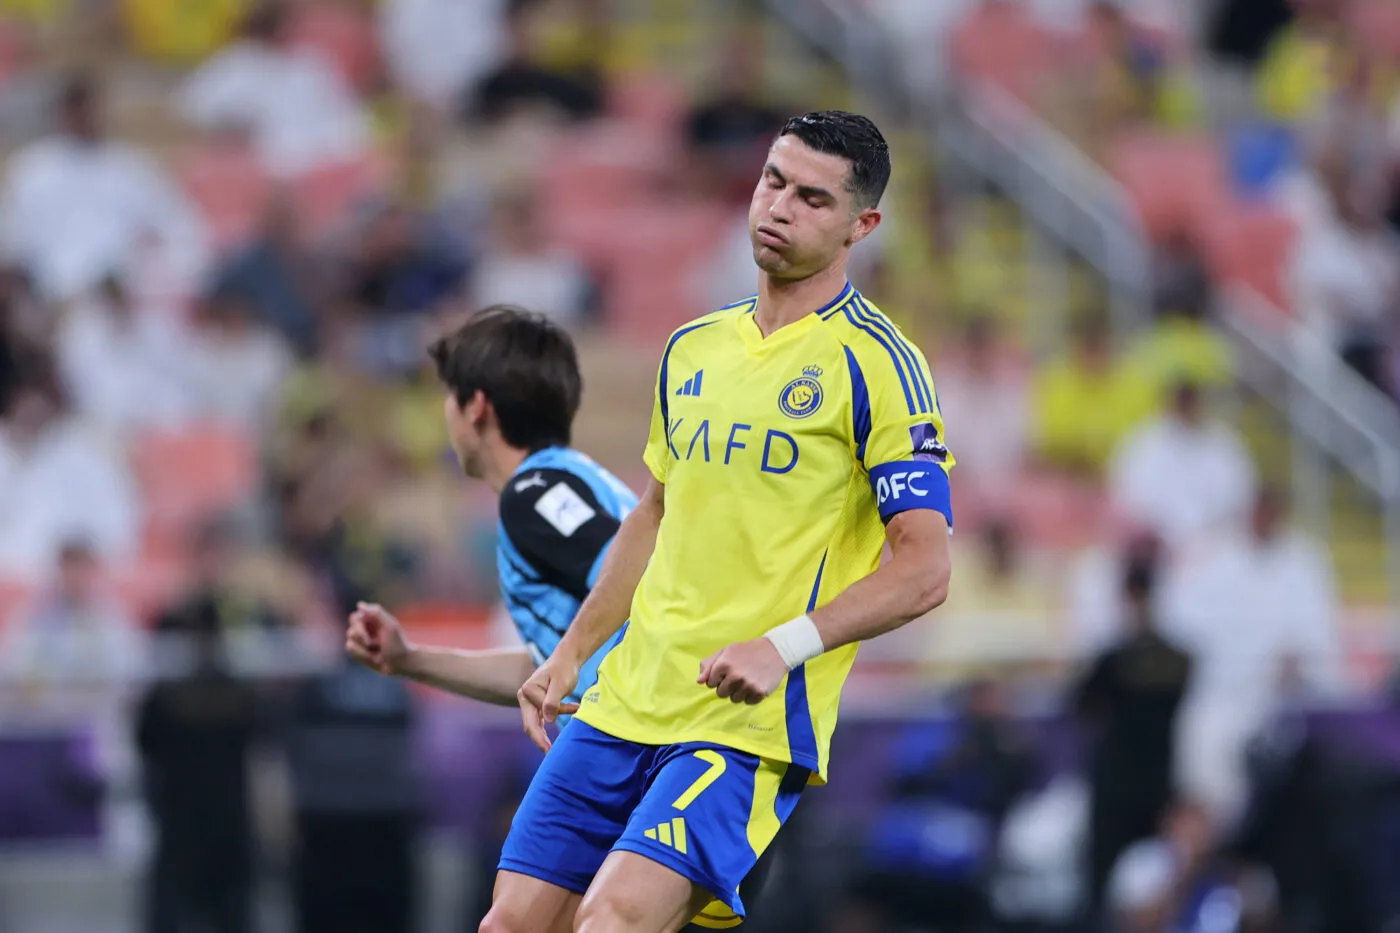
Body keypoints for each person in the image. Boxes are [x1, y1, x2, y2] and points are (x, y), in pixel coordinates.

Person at [493, 110, 954, 933]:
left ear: (862, 227)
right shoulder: (693, 347)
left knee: (613, 920)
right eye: (774, 181)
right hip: (624, 698)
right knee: (511, 924)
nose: (779, 206)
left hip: (742, 724)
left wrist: (782, 646)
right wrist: (571, 652)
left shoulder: (879, 365)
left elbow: (925, 568)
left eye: (813, 198)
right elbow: (654, 514)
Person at [345, 307, 778, 929]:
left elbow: (643, 588)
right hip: (657, 746)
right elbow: (555, 669)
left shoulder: (537, 493)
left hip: (651, 756)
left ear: (476, 407)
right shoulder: (569, 486)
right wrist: (410, 659)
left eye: (448, 396)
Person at [1073, 551, 1192, 920]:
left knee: (1122, 881)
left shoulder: (1115, 659)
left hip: (1122, 783)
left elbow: (1081, 703)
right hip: (1153, 778)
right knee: (1150, 879)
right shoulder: (1177, 658)